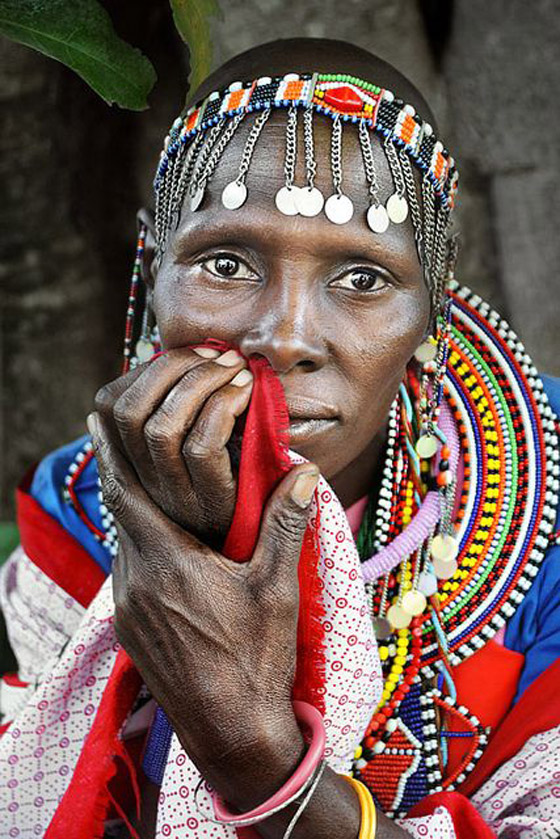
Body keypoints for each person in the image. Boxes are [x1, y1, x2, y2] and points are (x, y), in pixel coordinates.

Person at [1, 36, 559, 839]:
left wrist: (258, 757)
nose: (286, 336)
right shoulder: (82, 508)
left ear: (432, 304)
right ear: (153, 271)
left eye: (362, 278)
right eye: (226, 263)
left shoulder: (549, 516)